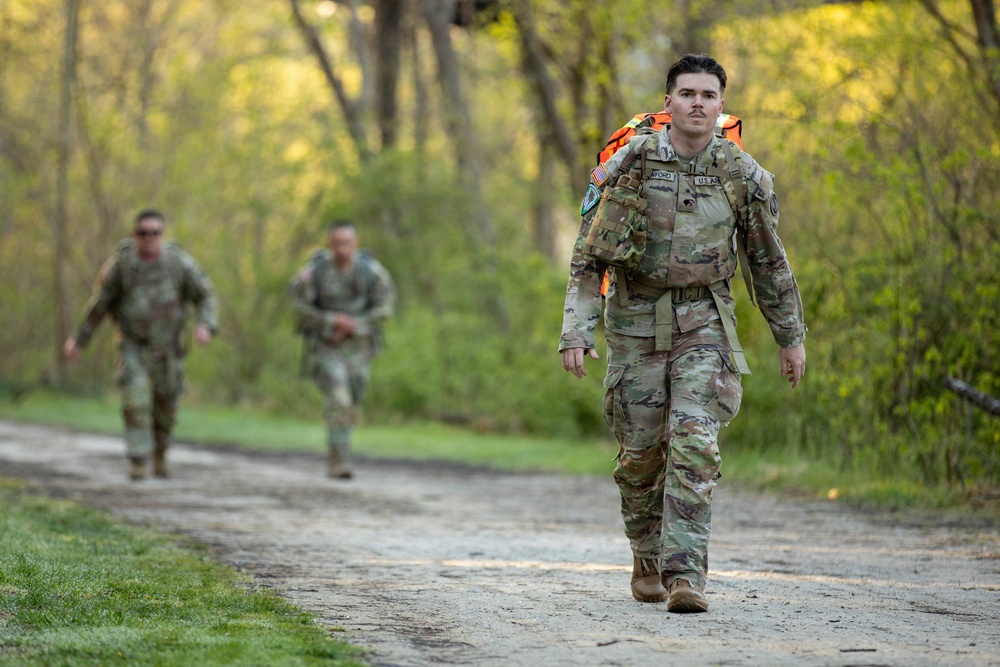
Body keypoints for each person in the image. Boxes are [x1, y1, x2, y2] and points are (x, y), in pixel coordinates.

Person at [559, 54, 807, 613]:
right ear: (668, 102)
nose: (698, 103)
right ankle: (646, 556)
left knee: (695, 442)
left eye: (708, 95)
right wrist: (576, 331)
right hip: (635, 322)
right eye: (688, 94)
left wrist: (790, 336)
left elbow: (768, 262)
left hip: (705, 323)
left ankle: (685, 576)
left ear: (721, 106)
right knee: (640, 456)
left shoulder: (742, 174)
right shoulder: (631, 163)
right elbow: (589, 259)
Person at [64, 210, 218, 481]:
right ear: (135, 235)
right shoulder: (123, 266)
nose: (149, 238)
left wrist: (206, 324)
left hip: (168, 348)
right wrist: (79, 340)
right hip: (133, 345)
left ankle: (160, 451)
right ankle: (138, 459)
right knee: (135, 398)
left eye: (155, 233)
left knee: (166, 405)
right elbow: (100, 305)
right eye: (143, 233)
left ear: (162, 234)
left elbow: (205, 295)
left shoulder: (178, 263)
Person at [290, 221, 395, 480]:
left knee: (354, 400)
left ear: (356, 244)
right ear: (329, 244)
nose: (342, 249)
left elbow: (385, 307)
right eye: (337, 244)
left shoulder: (371, 272)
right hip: (327, 346)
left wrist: (353, 325)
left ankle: (342, 446)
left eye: (347, 243)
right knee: (339, 400)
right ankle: (339, 460)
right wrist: (332, 322)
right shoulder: (315, 271)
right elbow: (299, 307)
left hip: (359, 347)